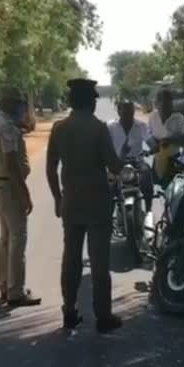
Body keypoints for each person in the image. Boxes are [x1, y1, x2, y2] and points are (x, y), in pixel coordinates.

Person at [46, 78, 124, 333]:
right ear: (89, 101)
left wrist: (58, 197)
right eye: (93, 99)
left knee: (71, 259)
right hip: (97, 203)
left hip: (71, 203)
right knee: (100, 261)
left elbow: (50, 167)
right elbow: (113, 165)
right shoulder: (98, 128)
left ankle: (69, 311)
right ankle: (103, 316)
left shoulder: (59, 128)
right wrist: (120, 161)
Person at [0, 86, 41, 307]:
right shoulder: (7, 127)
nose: (21, 108)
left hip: (1, 184)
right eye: (19, 103)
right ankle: (15, 291)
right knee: (18, 237)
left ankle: (6, 285)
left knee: (7, 238)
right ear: (10, 104)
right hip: (9, 186)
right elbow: (11, 164)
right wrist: (25, 194)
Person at [107, 99, 155, 216]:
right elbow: (105, 146)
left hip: (137, 161)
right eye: (126, 111)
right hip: (117, 162)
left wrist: (153, 147)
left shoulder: (141, 126)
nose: (129, 115)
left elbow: (150, 141)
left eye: (131, 111)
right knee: (109, 185)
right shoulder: (110, 126)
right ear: (119, 111)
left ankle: (148, 210)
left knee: (146, 175)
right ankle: (108, 217)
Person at [148, 88, 184, 184]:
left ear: (171, 103)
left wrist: (169, 140)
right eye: (160, 101)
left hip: (174, 159)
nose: (163, 105)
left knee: (173, 189)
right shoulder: (153, 117)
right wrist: (153, 144)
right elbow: (149, 135)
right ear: (156, 104)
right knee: (158, 188)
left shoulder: (179, 118)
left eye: (167, 101)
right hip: (158, 159)